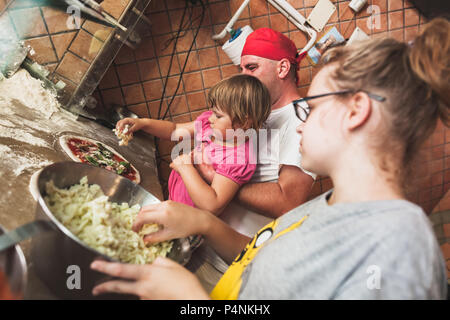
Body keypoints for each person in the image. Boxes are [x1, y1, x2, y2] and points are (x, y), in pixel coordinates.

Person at [91, 18, 449, 299]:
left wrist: (188, 297)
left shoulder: (399, 249)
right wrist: (204, 225)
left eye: (312, 110)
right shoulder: (330, 205)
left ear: (355, 111)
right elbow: (262, 263)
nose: (299, 126)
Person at [184, 28, 316, 292]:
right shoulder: (254, 112)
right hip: (204, 244)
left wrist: (213, 178)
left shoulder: (300, 120)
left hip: (235, 265)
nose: (244, 76)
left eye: (251, 68)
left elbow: (288, 203)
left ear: (282, 68)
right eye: (241, 69)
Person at [116, 74, 271, 217]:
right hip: (176, 203)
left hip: (191, 221)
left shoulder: (237, 158)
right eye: (212, 112)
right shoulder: (210, 126)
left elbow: (213, 204)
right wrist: (143, 123)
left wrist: (186, 168)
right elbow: (174, 130)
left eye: (218, 115)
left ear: (244, 122)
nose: (210, 118)